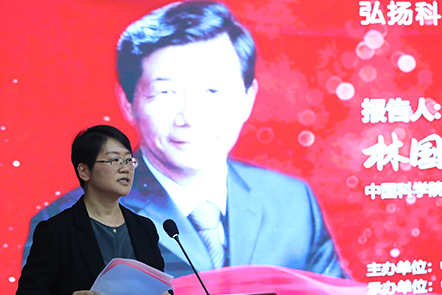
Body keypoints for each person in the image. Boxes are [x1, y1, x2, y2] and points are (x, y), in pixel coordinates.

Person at [22, 1, 348, 280]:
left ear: (248, 99)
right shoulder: (68, 226)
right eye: (166, 92)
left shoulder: (292, 203)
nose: (190, 117)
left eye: (213, 91)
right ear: (128, 103)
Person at [16, 125, 166, 295]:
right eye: (115, 160)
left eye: (129, 160)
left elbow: (159, 287)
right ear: (84, 171)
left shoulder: (144, 228)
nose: (126, 168)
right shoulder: (57, 231)